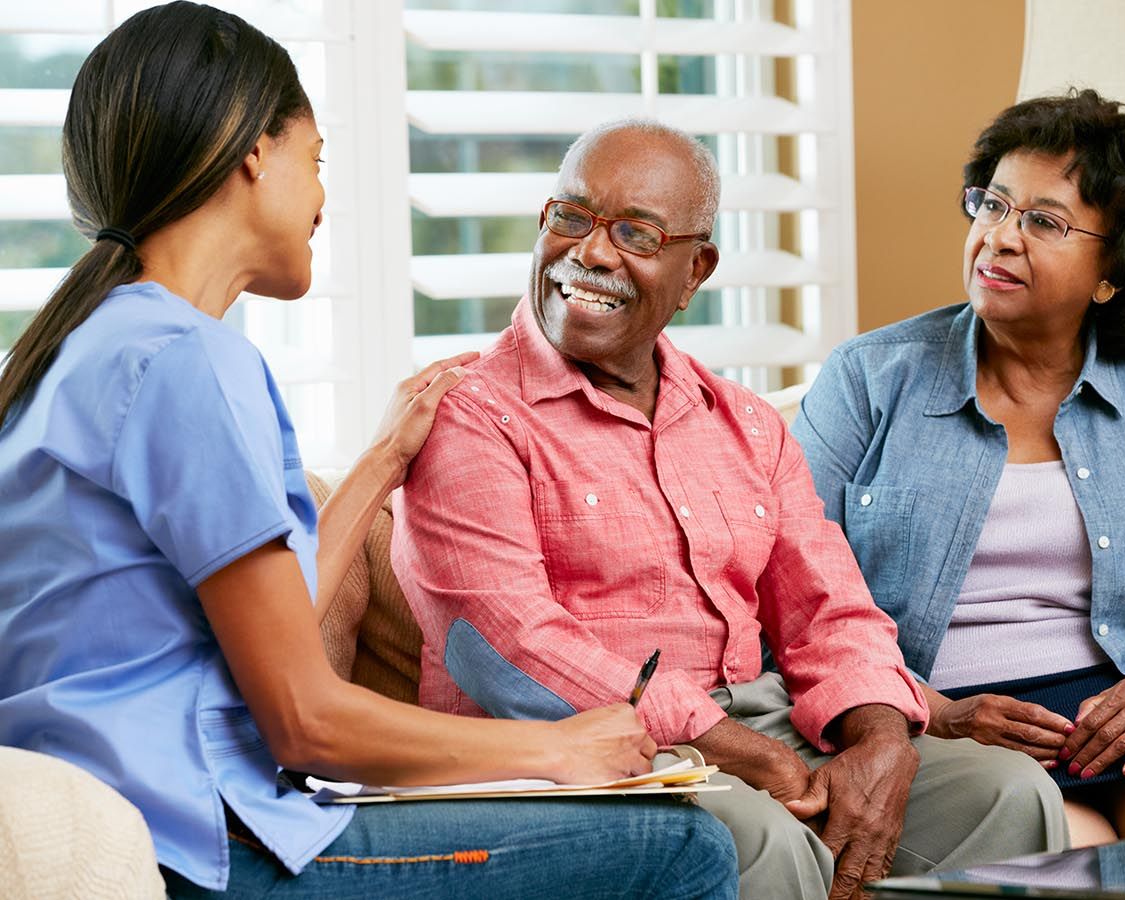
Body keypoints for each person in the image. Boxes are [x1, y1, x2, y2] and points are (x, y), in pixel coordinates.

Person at [0, 5, 739, 897]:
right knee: (683, 849)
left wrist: (386, 458)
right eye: (316, 162)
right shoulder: (191, 362)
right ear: (253, 154)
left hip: (119, 813)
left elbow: (263, 629)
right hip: (202, 844)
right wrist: (555, 747)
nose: (321, 198)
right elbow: (305, 720)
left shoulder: (78, 349)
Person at [392, 118, 1068, 900]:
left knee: (1006, 794)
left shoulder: (742, 422)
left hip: (757, 726)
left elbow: (831, 612)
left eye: (636, 234)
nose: (591, 252)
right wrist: (744, 753)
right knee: (759, 836)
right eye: (570, 218)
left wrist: (879, 739)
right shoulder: (471, 413)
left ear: (694, 270)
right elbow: (504, 647)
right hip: (576, 753)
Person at [790, 89, 1125, 848]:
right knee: (1078, 861)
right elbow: (790, 605)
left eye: (1043, 221)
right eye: (992, 205)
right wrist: (928, 710)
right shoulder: (869, 380)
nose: (998, 238)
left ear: (1113, 272)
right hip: (947, 722)